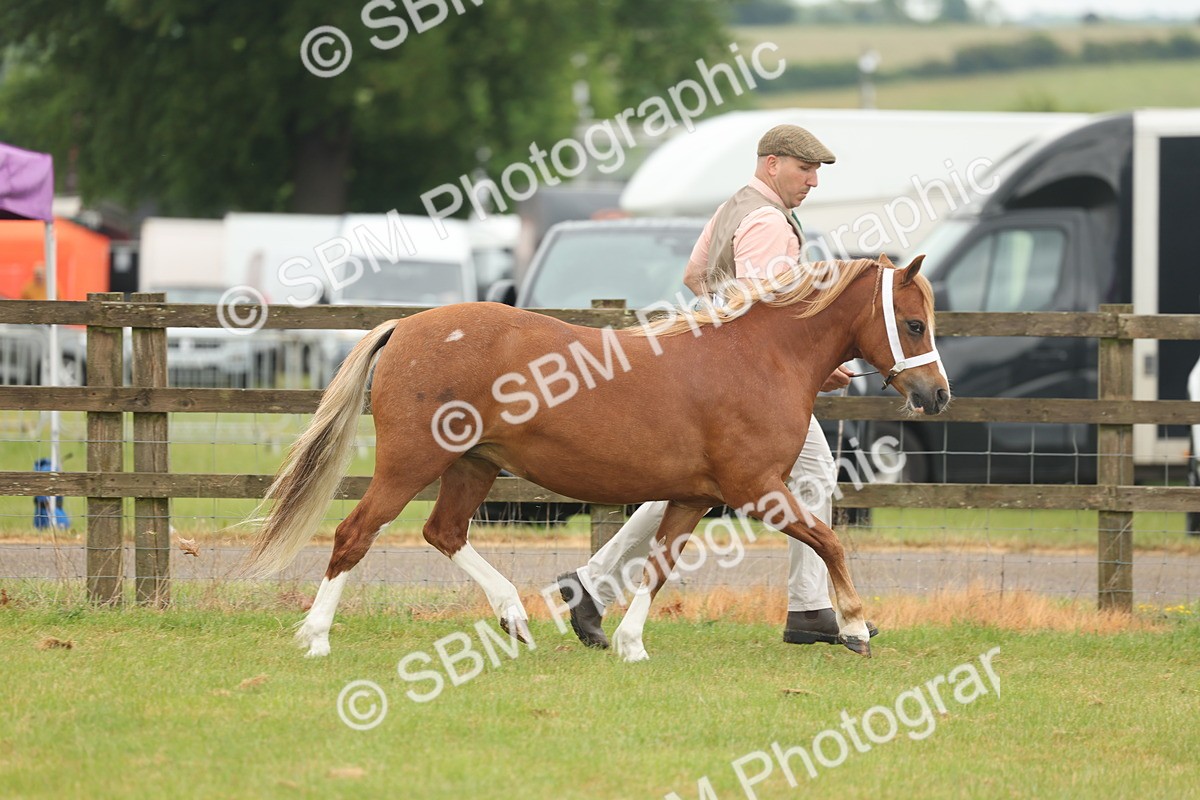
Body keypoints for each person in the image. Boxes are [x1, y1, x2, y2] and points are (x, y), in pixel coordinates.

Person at [557, 123, 878, 649]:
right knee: (776, 472)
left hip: (719, 369)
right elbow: (765, 303)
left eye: (817, 171)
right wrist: (806, 362)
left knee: (691, 482)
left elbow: (695, 274)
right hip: (748, 384)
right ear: (772, 163)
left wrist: (717, 320)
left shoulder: (736, 206)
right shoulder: (771, 221)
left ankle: (592, 584)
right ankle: (810, 607)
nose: (813, 181)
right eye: (805, 169)